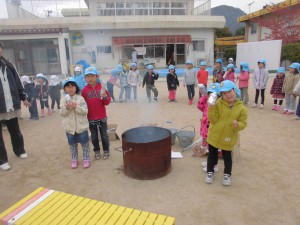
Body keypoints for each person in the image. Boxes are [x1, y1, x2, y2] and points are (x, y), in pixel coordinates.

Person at [205, 80, 248, 186]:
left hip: (228, 136)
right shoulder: (218, 103)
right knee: (212, 155)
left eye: (229, 91)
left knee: (227, 157)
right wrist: (211, 107)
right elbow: (213, 119)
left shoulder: (241, 108)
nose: (227, 95)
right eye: (224, 93)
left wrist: (238, 124)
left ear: (234, 90)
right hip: (214, 135)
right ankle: (210, 172)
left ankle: (227, 174)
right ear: (221, 95)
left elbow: (243, 123)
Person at [0, 43, 30, 171]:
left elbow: (17, 82)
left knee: (15, 130)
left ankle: (19, 150)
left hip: (10, 103)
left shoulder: (9, 65)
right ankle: (2, 160)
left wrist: (23, 97)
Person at [59, 77, 90, 169]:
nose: (70, 88)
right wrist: (67, 108)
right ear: (64, 89)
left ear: (76, 87)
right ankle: (74, 159)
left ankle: (86, 159)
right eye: (67, 86)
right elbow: (61, 113)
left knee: (85, 144)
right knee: (72, 144)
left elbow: (85, 111)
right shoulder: (63, 100)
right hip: (69, 128)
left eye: (72, 86)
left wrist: (76, 106)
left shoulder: (81, 99)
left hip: (81, 127)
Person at [81, 66, 111, 160]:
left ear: (97, 76)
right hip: (91, 118)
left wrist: (105, 96)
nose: (90, 78)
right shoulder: (84, 90)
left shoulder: (101, 88)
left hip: (102, 116)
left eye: (92, 76)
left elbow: (106, 102)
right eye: (88, 76)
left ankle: (106, 150)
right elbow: (82, 104)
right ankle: (97, 151)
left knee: (104, 136)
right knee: (94, 137)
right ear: (85, 78)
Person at [197, 83, 220, 156]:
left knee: (212, 142)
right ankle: (205, 151)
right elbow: (199, 106)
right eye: (209, 94)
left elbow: (215, 117)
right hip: (204, 128)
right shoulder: (207, 103)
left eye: (213, 95)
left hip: (211, 128)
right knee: (204, 139)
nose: (211, 96)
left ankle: (214, 153)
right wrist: (204, 96)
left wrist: (205, 119)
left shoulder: (218, 105)